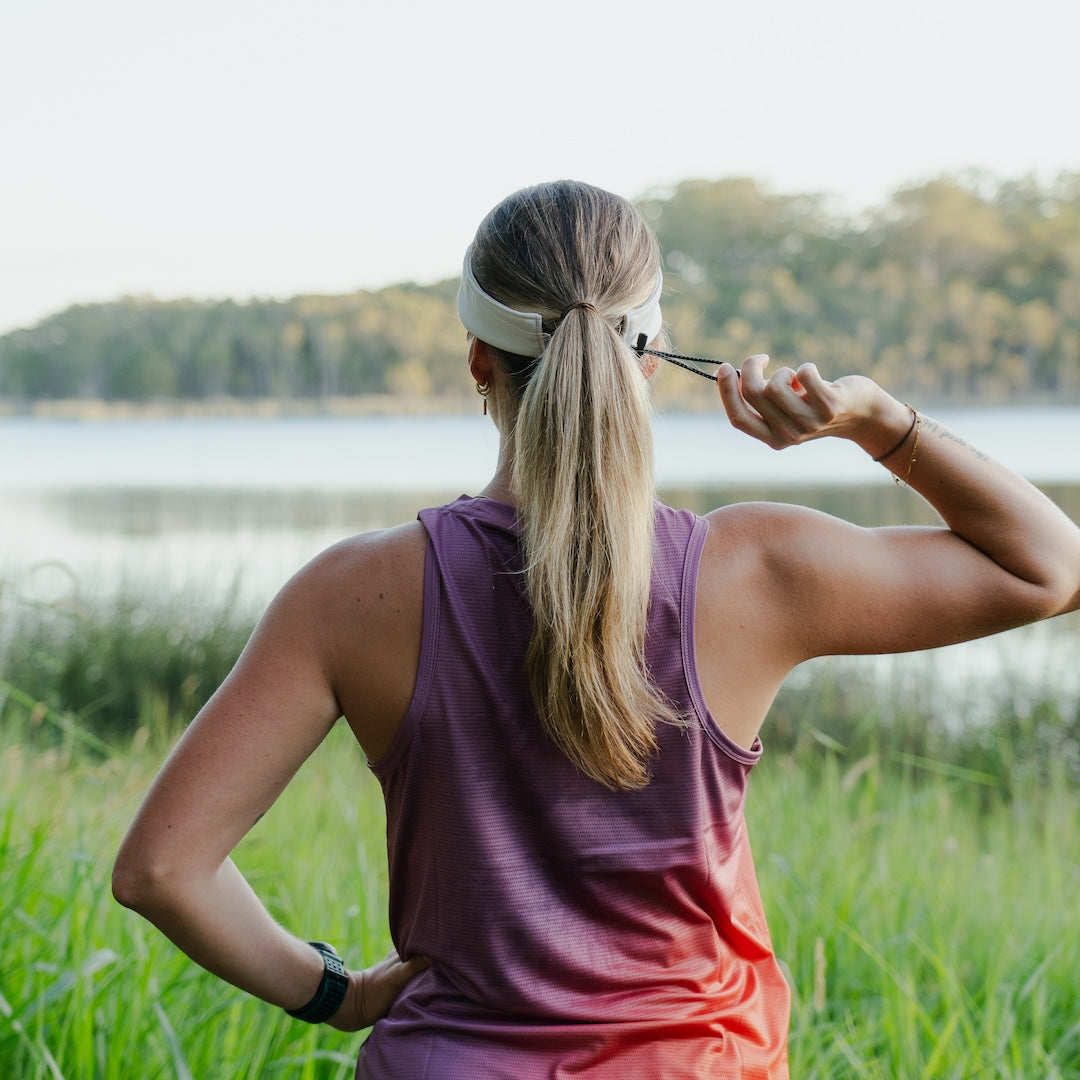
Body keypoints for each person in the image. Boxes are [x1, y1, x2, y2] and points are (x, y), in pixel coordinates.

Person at [112, 180, 1080, 1079]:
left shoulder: (352, 593)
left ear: (478, 360)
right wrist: (876, 421)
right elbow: (1051, 568)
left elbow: (162, 870)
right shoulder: (757, 569)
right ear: (648, 358)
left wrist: (343, 994)